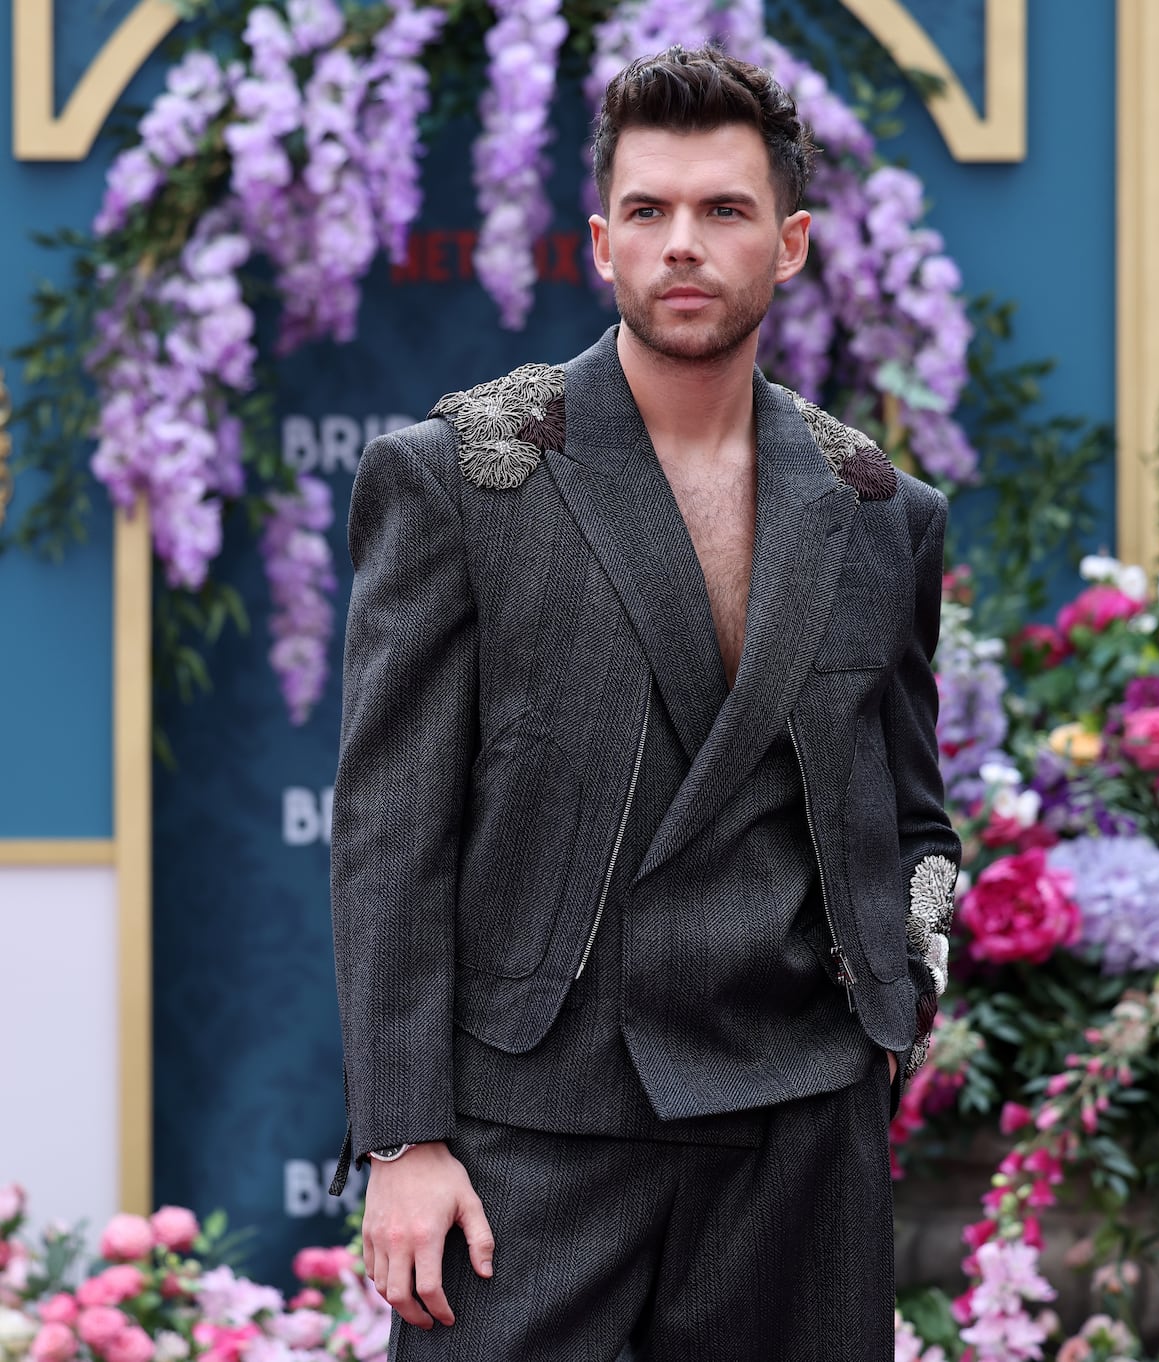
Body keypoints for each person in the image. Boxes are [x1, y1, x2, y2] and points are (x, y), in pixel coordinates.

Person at [329, 43, 960, 1362]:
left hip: (796, 1127)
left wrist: (894, 1007)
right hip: (530, 1128)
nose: (685, 244)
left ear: (788, 245)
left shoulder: (880, 515)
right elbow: (392, 828)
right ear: (597, 243)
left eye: (724, 211)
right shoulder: (461, 476)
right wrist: (403, 1133)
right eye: (651, 212)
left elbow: (911, 811)